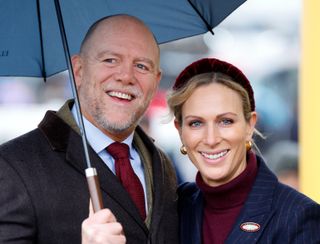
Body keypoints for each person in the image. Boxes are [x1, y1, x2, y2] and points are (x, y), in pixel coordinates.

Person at [0, 15, 179, 244]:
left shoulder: (162, 166)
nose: (126, 76)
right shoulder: (11, 167)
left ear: (156, 81)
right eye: (110, 60)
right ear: (78, 70)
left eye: (141, 66)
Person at [166, 58, 320, 243]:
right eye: (196, 123)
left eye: (225, 121)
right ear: (180, 130)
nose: (211, 139)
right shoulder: (174, 208)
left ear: (250, 125)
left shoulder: (298, 216)